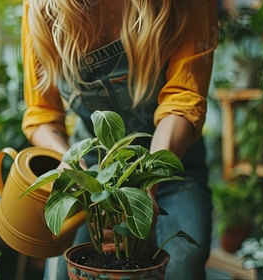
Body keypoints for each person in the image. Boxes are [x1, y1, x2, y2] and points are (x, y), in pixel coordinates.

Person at [21, 0, 217, 279]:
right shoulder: (42, 6)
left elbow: (182, 101)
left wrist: (147, 187)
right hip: (91, 167)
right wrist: (74, 170)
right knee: (68, 270)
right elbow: (42, 114)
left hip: (173, 163)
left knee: (185, 263)